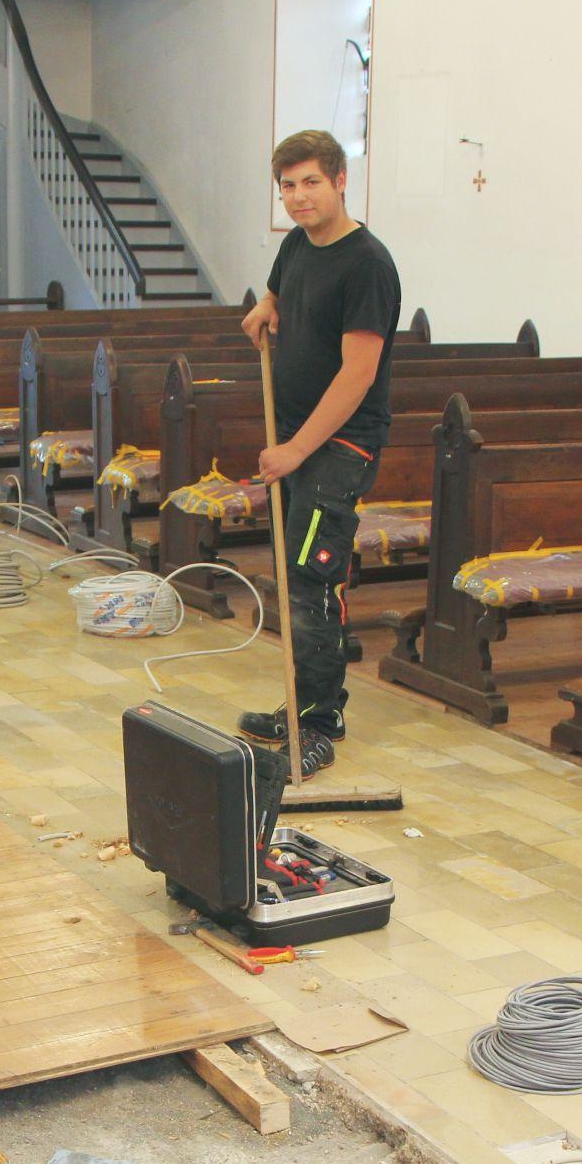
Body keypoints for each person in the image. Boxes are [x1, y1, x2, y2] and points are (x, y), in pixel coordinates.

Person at [234, 129, 402, 778]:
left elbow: (359, 374)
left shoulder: (368, 264)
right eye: (286, 185)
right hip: (301, 439)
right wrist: (264, 309)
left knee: (314, 574)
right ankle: (302, 701)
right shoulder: (297, 245)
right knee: (294, 570)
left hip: (341, 443)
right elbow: (280, 292)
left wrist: (296, 450)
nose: (298, 197)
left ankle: (322, 720)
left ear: (339, 181)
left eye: (309, 182)